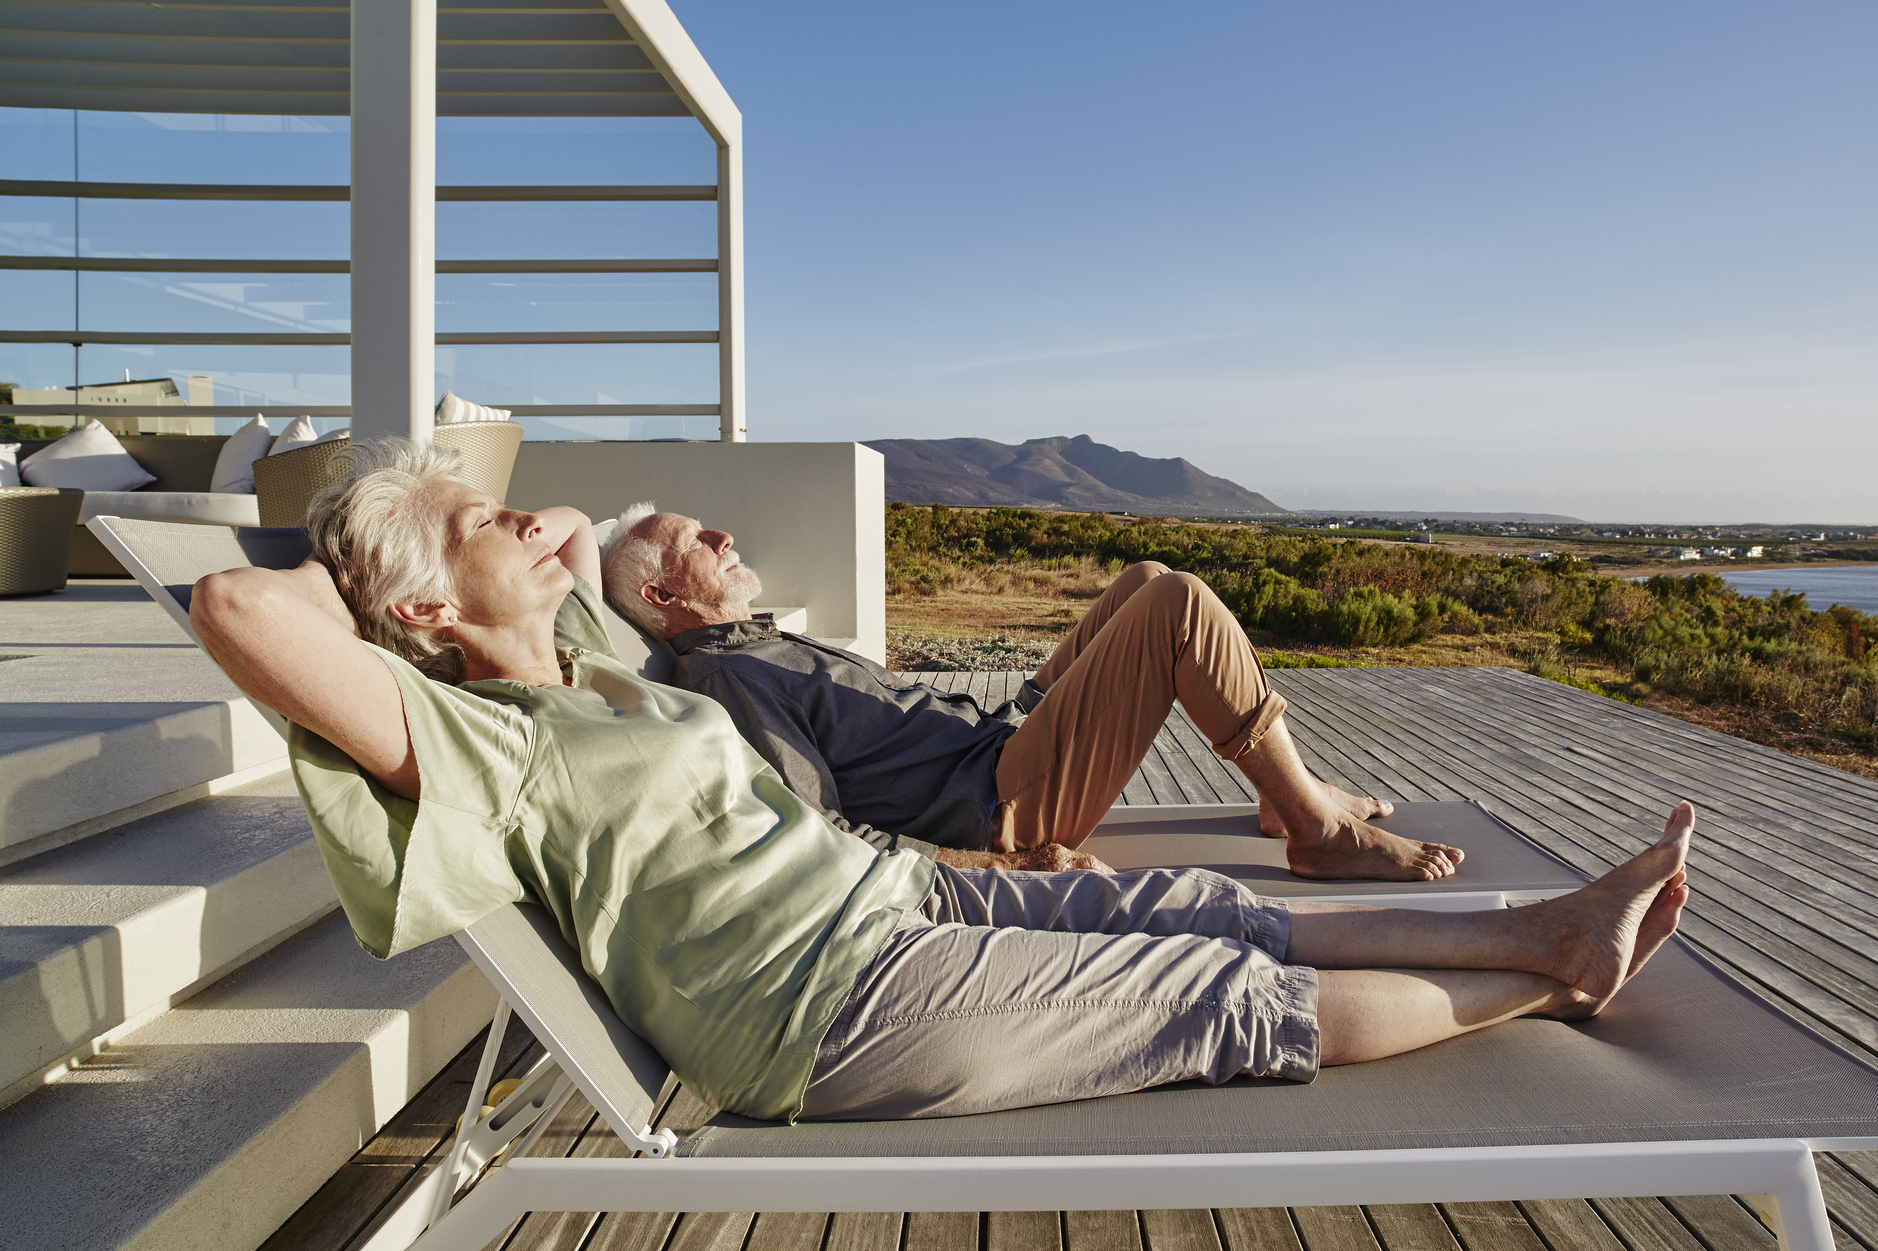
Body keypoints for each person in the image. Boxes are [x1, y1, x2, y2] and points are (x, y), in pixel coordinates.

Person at [190, 438, 1692, 1124]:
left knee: (1201, 905)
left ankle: (1538, 914)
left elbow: (583, 530)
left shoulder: (598, 672)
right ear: (420, 616)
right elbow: (237, 611)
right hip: (818, 1003)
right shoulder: (479, 736)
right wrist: (368, 562)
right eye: (481, 524)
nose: (526, 517)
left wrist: (467, 534)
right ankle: (1549, 968)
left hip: (889, 896)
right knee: (1209, 993)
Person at [601, 506, 1469, 882]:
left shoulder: (751, 643)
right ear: (663, 599)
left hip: (993, 737)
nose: (721, 535)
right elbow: (815, 834)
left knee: (1145, 576)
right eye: (692, 541)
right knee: (1179, 606)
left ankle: (1288, 794)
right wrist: (1008, 866)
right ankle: (1315, 831)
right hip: (998, 801)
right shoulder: (729, 678)